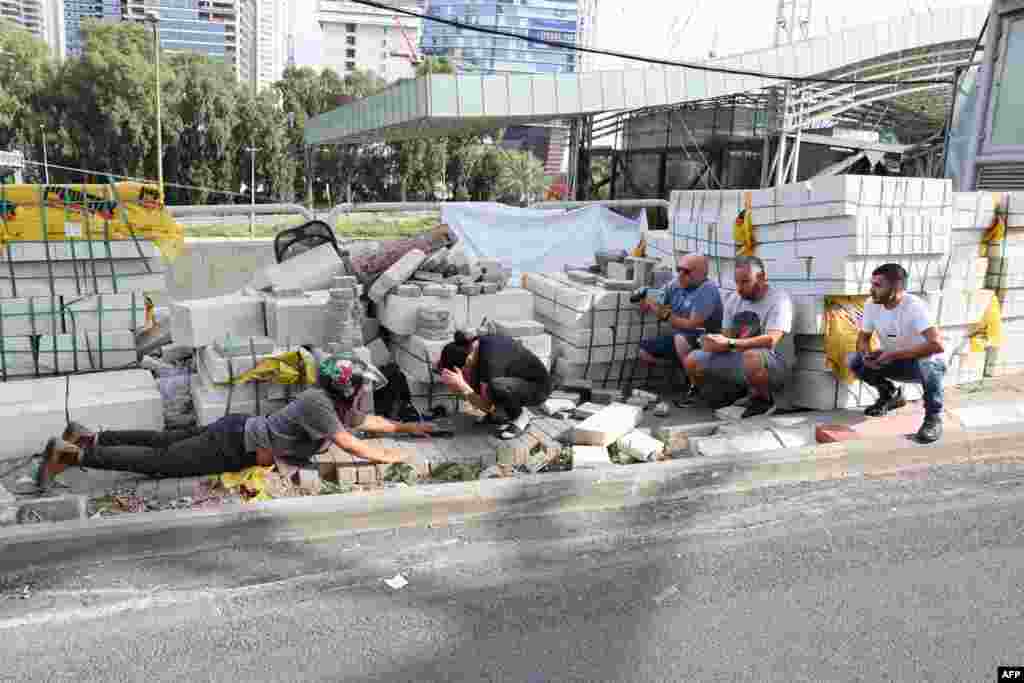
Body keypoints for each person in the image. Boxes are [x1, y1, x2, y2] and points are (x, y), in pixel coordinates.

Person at [28, 355, 442, 492]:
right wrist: (387, 457)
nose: (364, 394)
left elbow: (367, 422)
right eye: (361, 387)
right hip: (234, 444)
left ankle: (90, 435)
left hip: (237, 428)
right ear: (346, 388)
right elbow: (350, 443)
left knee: (162, 441)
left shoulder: (333, 401)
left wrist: (409, 430)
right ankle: (74, 454)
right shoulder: (320, 405)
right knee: (160, 460)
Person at [683, 255, 794, 418]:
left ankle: (763, 400)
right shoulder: (734, 299)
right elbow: (727, 337)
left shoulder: (779, 299)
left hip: (774, 364)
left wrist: (729, 342)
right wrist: (713, 343)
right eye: (737, 283)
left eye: (745, 282)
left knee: (751, 355)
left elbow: (771, 340)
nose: (739, 288)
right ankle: (723, 395)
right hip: (741, 358)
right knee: (693, 359)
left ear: (761, 278)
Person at [847, 263, 946, 444]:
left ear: (896, 287)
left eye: (878, 285)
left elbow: (937, 345)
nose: (871, 290)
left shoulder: (914, 307)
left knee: (929, 363)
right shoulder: (872, 304)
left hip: (923, 364)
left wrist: (893, 355)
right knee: (854, 360)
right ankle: (890, 396)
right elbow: (863, 339)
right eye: (872, 284)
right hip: (896, 360)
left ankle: (933, 418)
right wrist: (866, 354)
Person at [636, 254, 723, 406]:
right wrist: (645, 298)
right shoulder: (676, 283)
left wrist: (664, 314)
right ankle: (683, 371)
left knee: (681, 340)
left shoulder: (707, 290)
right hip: (681, 338)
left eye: (687, 271)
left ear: (702, 273)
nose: (681, 275)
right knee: (644, 351)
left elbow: (691, 325)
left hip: (707, 339)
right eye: (679, 270)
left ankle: (696, 389)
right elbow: (657, 298)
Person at [438, 330, 552, 440]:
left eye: (463, 370)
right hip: (517, 380)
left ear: (467, 359)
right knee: (483, 385)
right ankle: (501, 414)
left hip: (538, 388)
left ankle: (520, 417)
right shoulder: (476, 344)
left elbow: (488, 406)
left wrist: (462, 386)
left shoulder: (490, 362)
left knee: (496, 386)